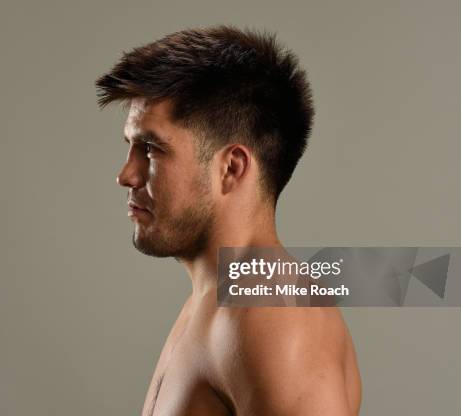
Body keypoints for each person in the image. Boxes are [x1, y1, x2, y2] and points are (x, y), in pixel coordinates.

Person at [95, 25, 361, 415]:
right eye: (131, 148)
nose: (126, 175)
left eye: (151, 149)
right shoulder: (217, 301)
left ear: (231, 168)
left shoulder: (274, 315)